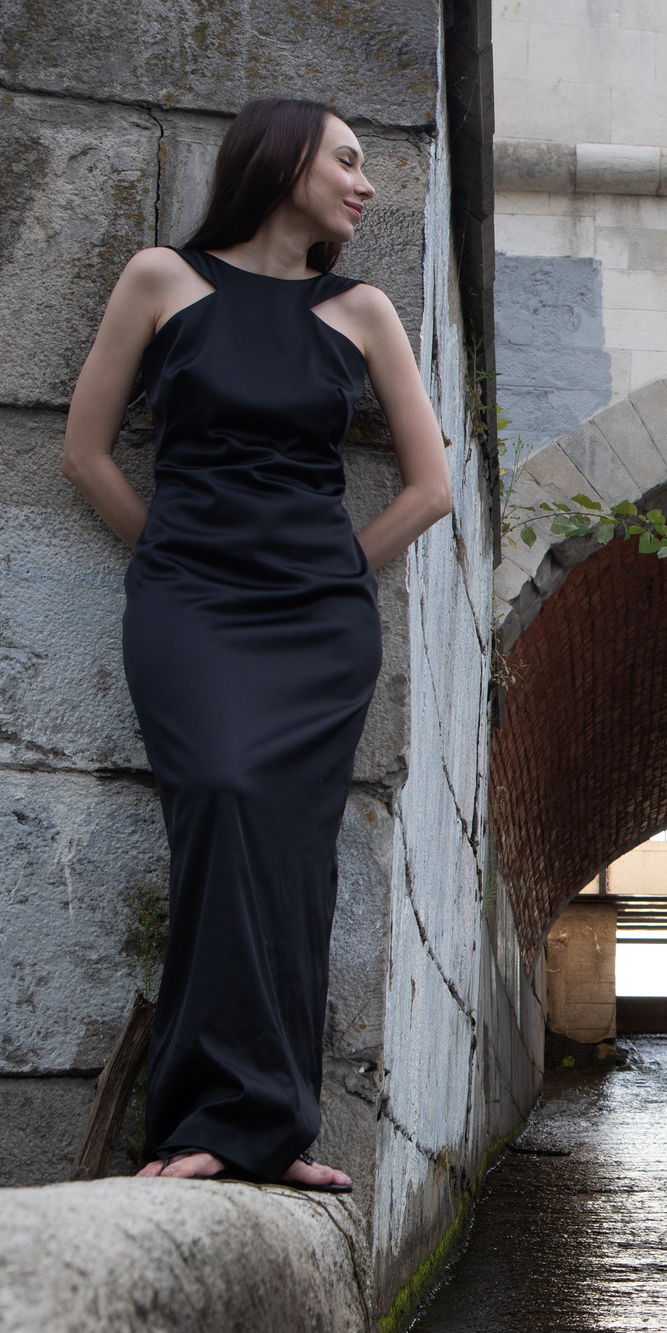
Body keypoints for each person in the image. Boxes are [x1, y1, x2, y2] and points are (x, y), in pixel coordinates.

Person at [62, 98, 454, 1189]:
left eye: (367, 164)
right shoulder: (161, 281)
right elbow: (87, 455)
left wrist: (334, 571)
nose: (365, 183)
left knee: (290, 862)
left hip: (316, 625)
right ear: (281, 163)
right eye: (347, 160)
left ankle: (272, 1132)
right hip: (191, 609)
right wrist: (174, 556)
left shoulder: (364, 310)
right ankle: (202, 1121)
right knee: (222, 809)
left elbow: (430, 490)